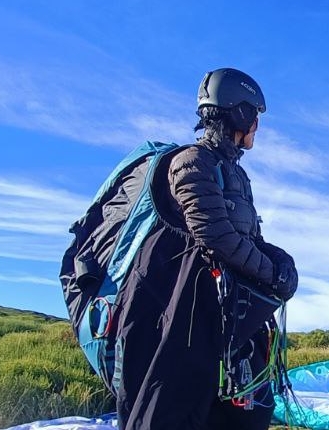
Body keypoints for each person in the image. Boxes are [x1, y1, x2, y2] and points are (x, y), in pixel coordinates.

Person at [112, 67, 298, 430]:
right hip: (184, 317)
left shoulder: (236, 174)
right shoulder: (191, 162)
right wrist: (273, 274)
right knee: (175, 413)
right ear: (237, 112)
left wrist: (280, 261)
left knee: (248, 412)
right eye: (254, 116)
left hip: (227, 319)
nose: (257, 127)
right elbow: (214, 236)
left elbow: (247, 239)